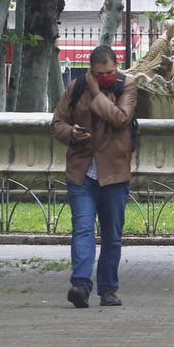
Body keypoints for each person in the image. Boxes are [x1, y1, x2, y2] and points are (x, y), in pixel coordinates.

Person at [51, 45, 138, 309]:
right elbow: (57, 123)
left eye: (110, 72)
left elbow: (120, 119)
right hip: (82, 173)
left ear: (116, 66)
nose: (106, 77)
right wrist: (71, 133)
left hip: (114, 173)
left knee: (112, 234)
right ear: (91, 70)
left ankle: (108, 289)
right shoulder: (76, 88)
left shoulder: (129, 85)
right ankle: (80, 285)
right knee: (83, 229)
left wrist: (97, 92)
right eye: (100, 74)